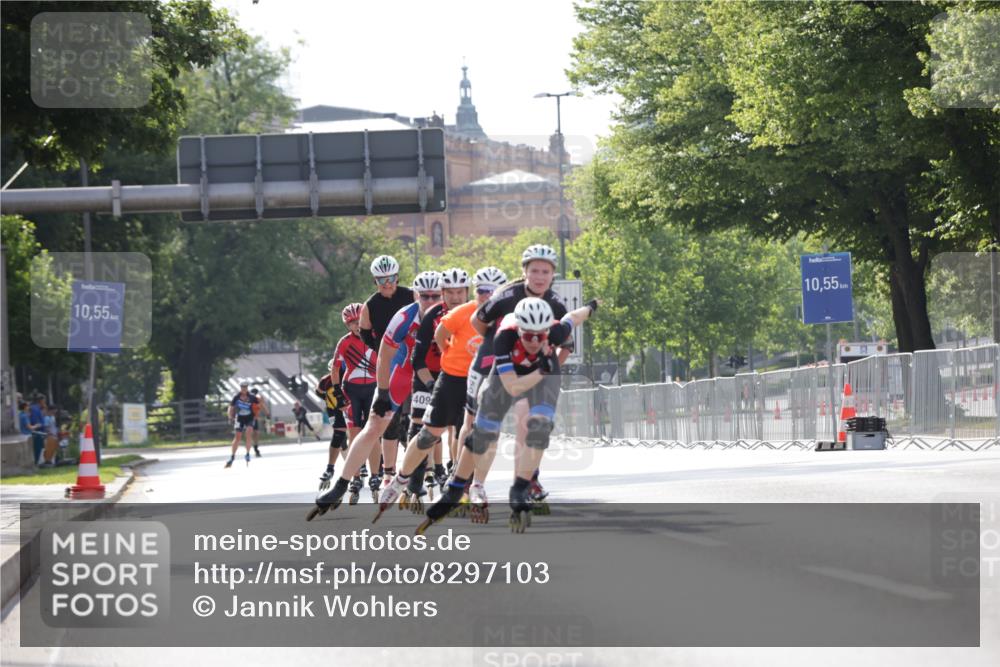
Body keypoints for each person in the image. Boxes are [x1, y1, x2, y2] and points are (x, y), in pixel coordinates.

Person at [419, 296, 597, 533]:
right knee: (481, 437)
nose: (534, 341)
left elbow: (573, 317)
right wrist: (540, 372)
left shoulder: (555, 331)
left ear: (548, 332)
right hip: (509, 379)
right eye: (528, 336)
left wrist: (593, 306)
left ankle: (520, 490)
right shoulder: (504, 336)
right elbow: (513, 387)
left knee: (540, 430)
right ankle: (455, 489)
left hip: (544, 376)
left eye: (540, 336)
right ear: (519, 329)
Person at [307, 271, 441, 519]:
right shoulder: (403, 317)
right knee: (374, 425)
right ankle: (340, 486)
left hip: (437, 367)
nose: (431, 302)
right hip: (403, 367)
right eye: (425, 297)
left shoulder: (451, 313)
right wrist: (382, 392)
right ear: (416, 297)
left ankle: (435, 476)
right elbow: (384, 358)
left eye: (436, 296)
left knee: (439, 422)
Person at [376, 266, 502, 520]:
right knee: (427, 435)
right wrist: (451, 357)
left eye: (492, 292)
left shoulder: (504, 317)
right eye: (482, 292)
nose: (456, 297)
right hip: (452, 378)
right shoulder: (458, 314)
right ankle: (401, 480)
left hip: (485, 381)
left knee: (481, 434)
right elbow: (439, 336)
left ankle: (473, 485)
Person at [468, 244, 571, 505]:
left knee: (531, 423)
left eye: (545, 272)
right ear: (524, 272)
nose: (539, 277)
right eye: (534, 271)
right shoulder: (505, 296)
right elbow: (477, 321)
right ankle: (475, 483)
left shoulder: (557, 304)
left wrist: (549, 370)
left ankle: (526, 481)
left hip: (539, 373)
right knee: (487, 427)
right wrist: (497, 342)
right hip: (506, 367)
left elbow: (567, 345)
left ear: (552, 275)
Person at [395, 267, 468, 511]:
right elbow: (417, 359)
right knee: (419, 425)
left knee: (460, 426)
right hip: (428, 374)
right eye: (450, 293)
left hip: (458, 374)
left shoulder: (474, 313)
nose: (455, 298)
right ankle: (414, 483)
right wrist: (430, 383)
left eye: (460, 292)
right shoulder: (434, 314)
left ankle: (455, 475)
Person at [358, 255, 416, 491]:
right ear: (375, 281)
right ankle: (388, 472)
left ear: (397, 277)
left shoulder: (411, 295)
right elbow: (364, 333)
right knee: (387, 417)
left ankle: (427, 468)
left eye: (391, 278)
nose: (387, 283)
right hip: (390, 360)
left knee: (415, 414)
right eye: (382, 280)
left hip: (412, 357)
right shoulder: (370, 305)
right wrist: (380, 353)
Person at [330, 302, 378, 502]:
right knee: (355, 433)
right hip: (352, 390)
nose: (357, 325)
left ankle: (376, 475)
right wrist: (338, 394)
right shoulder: (344, 342)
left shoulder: (376, 337)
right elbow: (335, 369)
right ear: (347, 325)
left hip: (374, 388)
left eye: (360, 321)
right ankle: (356, 477)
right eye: (352, 323)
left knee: (374, 433)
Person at [315, 366, 350, 490]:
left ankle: (355, 463)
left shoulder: (347, 376)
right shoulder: (325, 380)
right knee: (340, 436)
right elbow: (318, 391)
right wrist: (328, 400)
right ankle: (345, 461)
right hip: (333, 411)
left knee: (349, 434)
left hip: (346, 408)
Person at [226, 382, 258, 468]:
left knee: (248, 433)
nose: (244, 389)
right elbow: (231, 407)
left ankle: (247, 453)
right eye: (242, 387)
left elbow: (258, 405)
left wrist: (257, 413)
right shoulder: (236, 397)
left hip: (249, 417)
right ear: (240, 388)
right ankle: (232, 456)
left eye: (245, 387)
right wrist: (229, 416)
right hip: (239, 418)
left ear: (247, 388)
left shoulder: (252, 397)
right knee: (238, 437)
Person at [249, 388, 270, 457]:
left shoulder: (258, 400)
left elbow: (263, 406)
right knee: (251, 433)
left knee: (256, 433)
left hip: (254, 419)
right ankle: (252, 447)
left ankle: (256, 447)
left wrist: (267, 414)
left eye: (255, 394)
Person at [29, 394, 46, 465]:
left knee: (40, 448)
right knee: (37, 449)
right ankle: (36, 463)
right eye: (44, 401)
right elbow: (35, 421)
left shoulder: (38, 409)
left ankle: (39, 462)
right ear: (41, 401)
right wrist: (41, 425)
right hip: (37, 432)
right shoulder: (35, 409)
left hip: (40, 431)